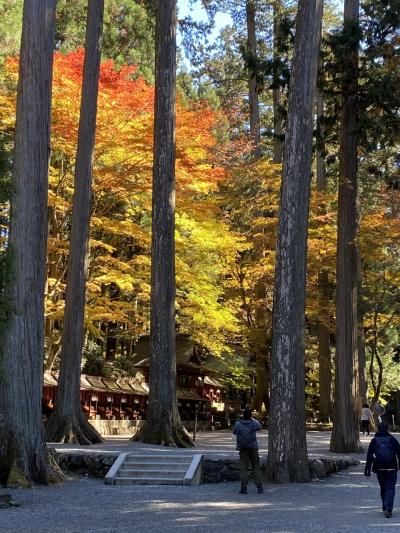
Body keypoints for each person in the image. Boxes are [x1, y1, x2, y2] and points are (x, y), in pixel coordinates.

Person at [364, 422, 400, 518]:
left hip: (380, 468)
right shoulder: (392, 440)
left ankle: (385, 506)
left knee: (383, 488)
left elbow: (369, 456)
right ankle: (388, 507)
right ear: (387, 428)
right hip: (392, 468)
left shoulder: (374, 441)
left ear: (378, 429)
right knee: (390, 488)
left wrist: (367, 469)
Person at [233, 407, 263, 494]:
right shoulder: (253, 423)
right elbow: (260, 427)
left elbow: (234, 432)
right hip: (253, 447)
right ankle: (259, 487)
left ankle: (243, 488)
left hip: (243, 448)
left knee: (243, 468)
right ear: (250, 416)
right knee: (256, 467)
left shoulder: (238, 424)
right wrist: (253, 419)